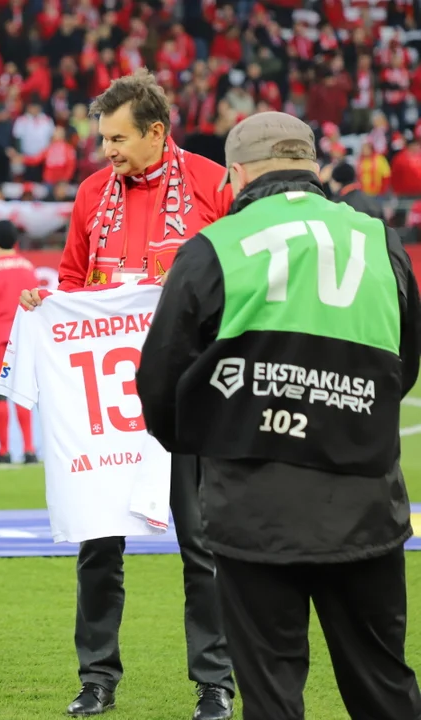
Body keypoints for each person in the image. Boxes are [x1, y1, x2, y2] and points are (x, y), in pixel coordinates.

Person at [136, 111, 421, 720]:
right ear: (313, 168)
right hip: (366, 505)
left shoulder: (213, 248)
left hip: (253, 507)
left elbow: (159, 384)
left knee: (271, 697)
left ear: (236, 176)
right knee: (385, 688)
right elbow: (404, 367)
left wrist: (211, 439)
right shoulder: (381, 240)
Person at [17, 68, 235, 720]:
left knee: (202, 544)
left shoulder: (210, 184)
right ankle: (97, 681)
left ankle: (215, 684)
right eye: (102, 138)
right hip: (106, 405)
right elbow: (71, 280)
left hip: (189, 395)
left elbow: (237, 275)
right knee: (98, 543)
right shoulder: (91, 193)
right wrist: (45, 302)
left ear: (157, 132)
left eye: (116, 138)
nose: (106, 150)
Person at [0, 219, 39, 464]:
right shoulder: (28, 267)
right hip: (23, 339)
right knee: (22, 393)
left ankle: (3, 451)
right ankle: (30, 449)